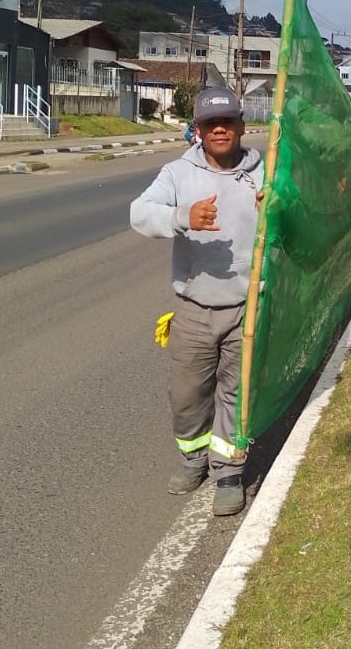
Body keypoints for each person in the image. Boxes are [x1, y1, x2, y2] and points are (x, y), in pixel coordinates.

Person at [130, 87, 264, 517]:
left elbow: (300, 217)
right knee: (187, 394)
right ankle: (193, 460)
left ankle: (228, 472)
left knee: (236, 394)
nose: (219, 129)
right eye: (210, 124)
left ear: (241, 126)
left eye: (227, 122)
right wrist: (181, 217)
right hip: (194, 307)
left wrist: (280, 204)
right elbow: (139, 213)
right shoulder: (177, 174)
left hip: (248, 307)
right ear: (199, 130)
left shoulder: (265, 170)